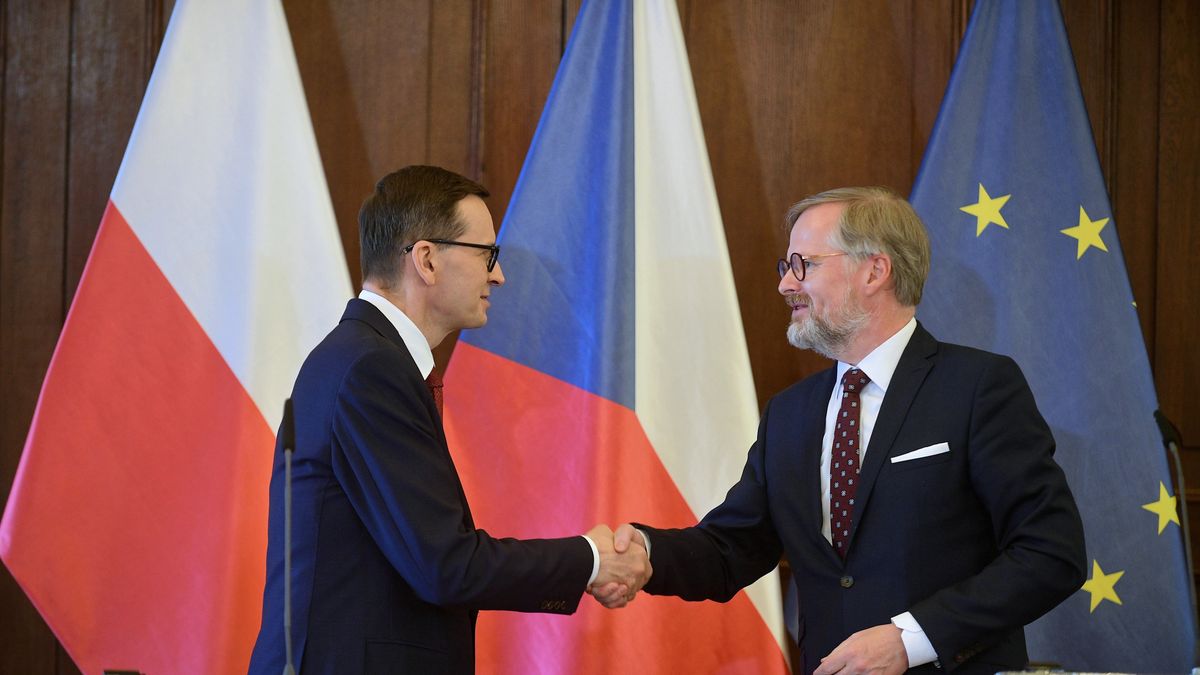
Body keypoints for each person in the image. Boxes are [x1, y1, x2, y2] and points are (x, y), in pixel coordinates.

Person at [596, 186, 1085, 674]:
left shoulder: (976, 387)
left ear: (874, 271)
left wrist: (911, 640)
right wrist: (645, 554)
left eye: (804, 265)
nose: (785, 285)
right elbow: (733, 548)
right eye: (786, 266)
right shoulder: (789, 413)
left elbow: (1051, 553)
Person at [249, 165, 650, 674]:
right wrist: (589, 559)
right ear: (427, 260)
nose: (498, 276)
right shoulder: (371, 368)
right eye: (487, 254)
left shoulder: (364, 358)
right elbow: (444, 565)